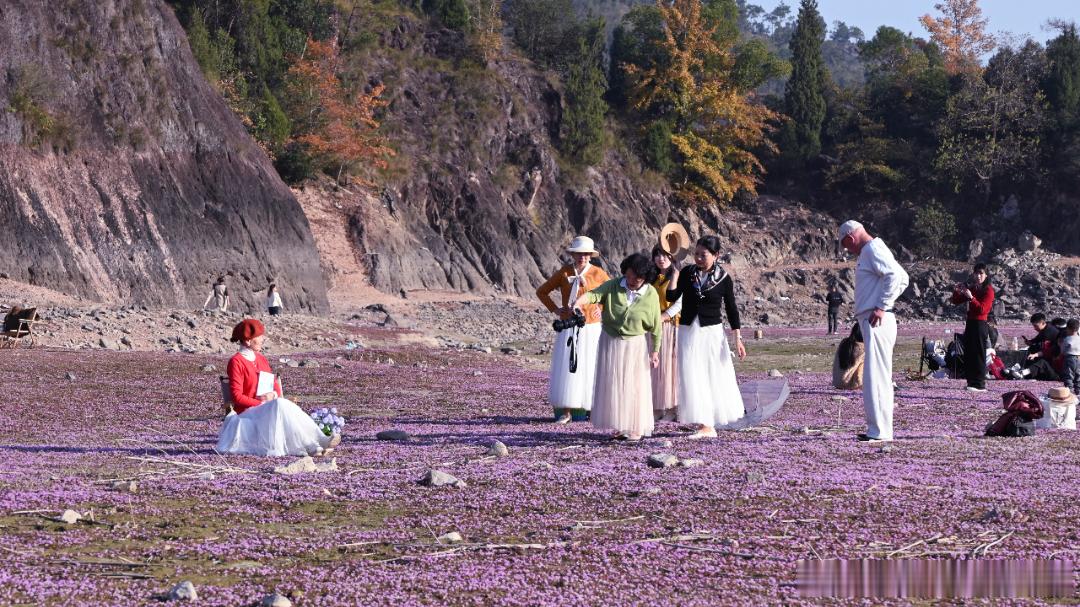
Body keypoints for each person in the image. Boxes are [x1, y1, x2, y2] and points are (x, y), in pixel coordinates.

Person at [217, 319, 338, 457]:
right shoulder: (236, 362)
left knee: (280, 402)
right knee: (280, 403)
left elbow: (274, 387)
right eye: (259, 336)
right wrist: (263, 403)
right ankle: (316, 442)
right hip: (247, 413)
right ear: (248, 341)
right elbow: (237, 397)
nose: (263, 339)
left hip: (268, 410)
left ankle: (315, 444)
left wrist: (273, 396)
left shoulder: (261, 359)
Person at [573, 253, 661, 441]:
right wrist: (579, 302)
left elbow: (656, 325)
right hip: (611, 341)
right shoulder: (614, 285)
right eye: (628, 276)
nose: (630, 281)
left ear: (645, 278)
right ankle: (622, 425)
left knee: (634, 386)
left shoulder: (651, 293)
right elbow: (595, 294)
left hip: (635, 344)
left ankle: (635, 427)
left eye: (636, 278)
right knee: (615, 385)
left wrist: (655, 351)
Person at [666, 235, 747, 440]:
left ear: (716, 255)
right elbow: (672, 298)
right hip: (687, 330)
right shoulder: (688, 273)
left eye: (704, 255)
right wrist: (675, 275)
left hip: (711, 332)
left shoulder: (723, 278)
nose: (699, 259)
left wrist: (737, 338)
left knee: (712, 374)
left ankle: (708, 424)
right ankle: (703, 422)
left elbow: (731, 309)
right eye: (696, 254)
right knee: (692, 375)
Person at [839, 220, 909, 443]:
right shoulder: (873, 250)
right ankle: (878, 429)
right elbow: (902, 277)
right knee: (875, 375)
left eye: (846, 245)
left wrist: (881, 306)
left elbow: (896, 277)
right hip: (874, 318)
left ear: (850, 238)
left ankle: (879, 431)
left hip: (876, 319)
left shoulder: (871, 249)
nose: (847, 250)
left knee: (876, 377)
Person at [536, 236, 610, 424]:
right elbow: (542, 291)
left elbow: (611, 294)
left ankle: (592, 410)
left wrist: (599, 310)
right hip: (569, 326)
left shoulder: (598, 273)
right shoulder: (564, 272)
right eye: (579, 254)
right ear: (573, 254)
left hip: (591, 327)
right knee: (568, 368)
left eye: (585, 254)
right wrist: (555, 309)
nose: (582, 257)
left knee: (591, 366)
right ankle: (566, 411)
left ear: (590, 256)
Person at [650, 245, 683, 422]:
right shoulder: (653, 279)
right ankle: (657, 406)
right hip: (655, 325)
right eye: (657, 255)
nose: (661, 258)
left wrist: (664, 316)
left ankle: (672, 407)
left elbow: (679, 302)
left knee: (670, 367)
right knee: (656, 368)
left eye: (665, 255)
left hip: (671, 325)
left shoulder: (677, 277)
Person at [950, 263, 994, 392]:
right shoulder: (974, 288)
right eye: (977, 273)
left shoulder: (988, 290)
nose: (979, 276)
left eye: (981, 273)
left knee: (979, 354)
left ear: (986, 275)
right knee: (970, 353)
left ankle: (979, 384)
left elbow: (982, 309)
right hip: (970, 323)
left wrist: (971, 297)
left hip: (980, 324)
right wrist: (957, 290)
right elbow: (956, 301)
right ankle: (971, 382)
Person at [832, 323, 864, 390]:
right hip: (851, 384)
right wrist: (862, 385)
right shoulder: (863, 348)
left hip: (837, 382)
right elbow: (859, 373)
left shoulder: (844, 342)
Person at [1061, 319, 1080, 395]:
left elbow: (1063, 351)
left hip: (1069, 359)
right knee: (1078, 376)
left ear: (1068, 329)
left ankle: (1069, 392)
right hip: (1079, 358)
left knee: (1068, 376)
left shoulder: (1067, 339)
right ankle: (1078, 392)